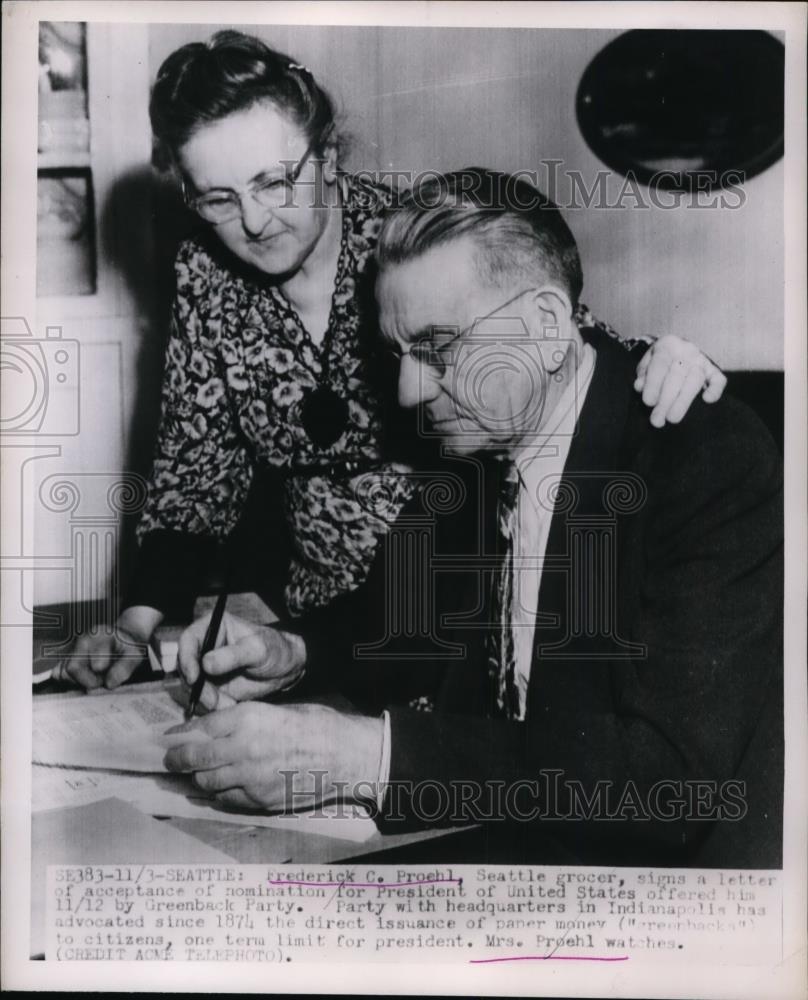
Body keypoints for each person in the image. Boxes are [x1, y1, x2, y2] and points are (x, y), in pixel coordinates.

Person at [63, 32, 726, 692]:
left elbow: (557, 345)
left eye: (273, 182)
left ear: (326, 155)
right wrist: (135, 625)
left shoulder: (407, 234)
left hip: (454, 606)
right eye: (218, 198)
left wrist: (661, 362)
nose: (255, 221)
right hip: (318, 625)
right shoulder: (205, 274)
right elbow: (194, 466)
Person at [165, 169, 783, 868]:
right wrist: (290, 653)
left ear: (548, 327)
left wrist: (368, 755)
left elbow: (670, 783)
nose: (407, 390)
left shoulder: (700, 458)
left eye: (437, 348)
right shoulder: (478, 446)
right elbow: (401, 623)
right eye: (400, 354)